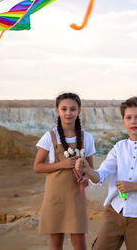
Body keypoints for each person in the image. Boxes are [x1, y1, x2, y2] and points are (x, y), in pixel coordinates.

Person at [75, 96, 137, 250]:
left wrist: (134, 186)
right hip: (115, 212)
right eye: (129, 117)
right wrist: (87, 170)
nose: (133, 121)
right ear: (123, 122)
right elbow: (102, 175)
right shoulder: (119, 147)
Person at [34, 92, 95, 250]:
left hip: (76, 195)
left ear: (79, 111)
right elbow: (38, 166)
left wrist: (86, 179)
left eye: (73, 109)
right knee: (56, 243)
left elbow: (91, 170)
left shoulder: (87, 138)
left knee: (80, 243)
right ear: (57, 111)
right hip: (55, 196)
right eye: (64, 109)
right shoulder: (50, 136)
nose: (68, 113)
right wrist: (62, 164)